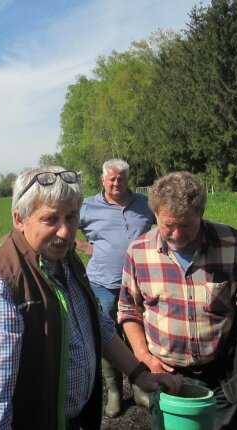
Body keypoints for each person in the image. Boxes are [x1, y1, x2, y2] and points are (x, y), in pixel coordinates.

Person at [0, 166, 182, 430]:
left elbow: (98, 324)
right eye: (51, 219)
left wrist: (139, 373)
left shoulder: (64, 258)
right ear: (19, 219)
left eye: (72, 217)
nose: (65, 232)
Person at [119, 171, 237, 429]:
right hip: (167, 375)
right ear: (155, 216)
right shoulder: (139, 252)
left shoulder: (232, 244)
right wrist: (144, 357)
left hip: (223, 376)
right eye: (167, 225)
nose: (175, 234)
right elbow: (129, 309)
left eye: (185, 225)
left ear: (201, 212)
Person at [75, 158, 156, 416]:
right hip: (102, 284)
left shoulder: (144, 205)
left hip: (139, 285)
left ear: (127, 179)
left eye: (121, 178)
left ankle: (139, 388)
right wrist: (85, 247)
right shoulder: (87, 207)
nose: (116, 182)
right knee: (107, 336)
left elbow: (165, 222)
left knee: (136, 336)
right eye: (111, 178)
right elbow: (64, 226)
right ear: (103, 180)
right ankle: (114, 392)